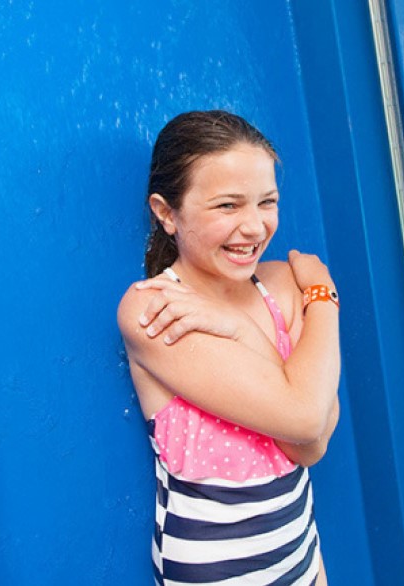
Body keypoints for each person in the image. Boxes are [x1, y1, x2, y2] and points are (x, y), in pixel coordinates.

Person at [117, 110, 341, 585]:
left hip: (301, 551)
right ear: (166, 213)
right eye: (227, 206)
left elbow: (312, 443)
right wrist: (324, 293)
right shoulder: (153, 309)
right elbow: (302, 417)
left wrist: (240, 327)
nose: (255, 227)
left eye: (267, 202)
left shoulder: (280, 285)